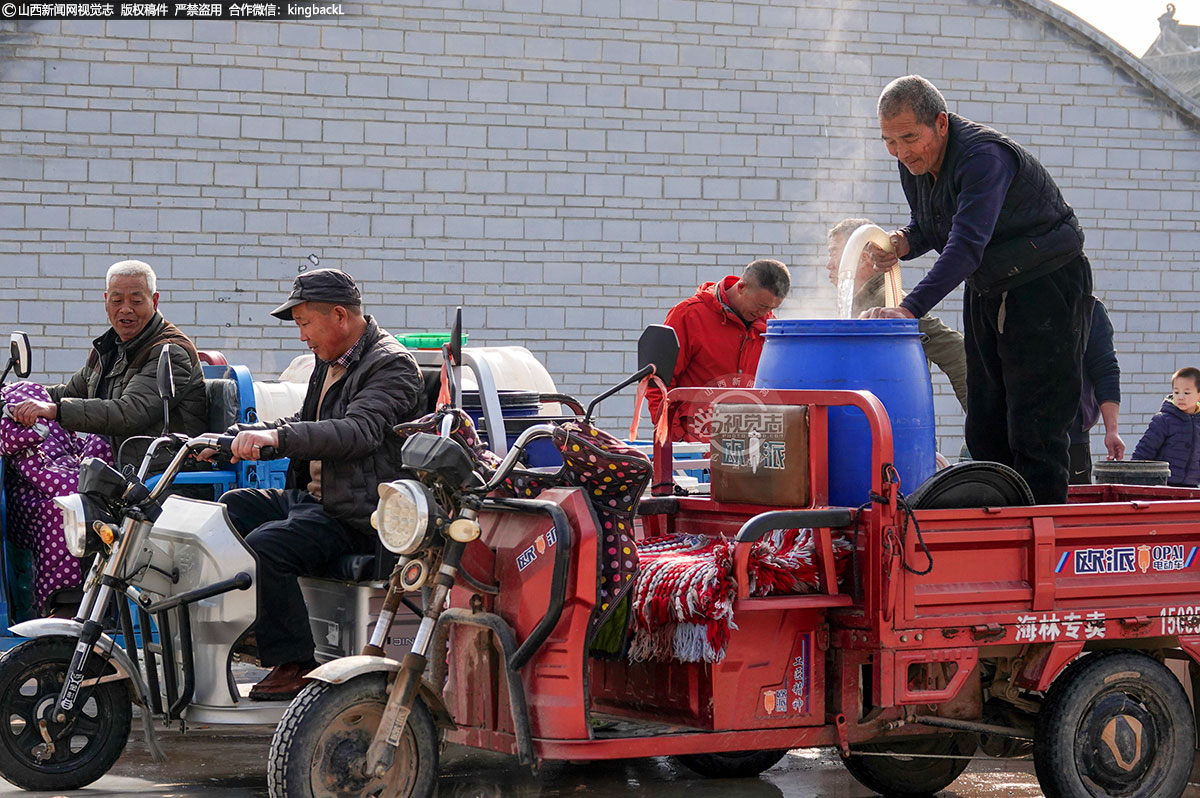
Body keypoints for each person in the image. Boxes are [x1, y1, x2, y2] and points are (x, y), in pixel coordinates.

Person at [862, 75, 1092, 505]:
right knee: (986, 423)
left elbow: (966, 243)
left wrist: (908, 309)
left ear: (942, 123)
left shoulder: (985, 157)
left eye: (910, 138)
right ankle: (995, 532)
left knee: (1035, 424)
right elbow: (935, 224)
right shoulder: (912, 163)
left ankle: (1040, 541)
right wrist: (901, 242)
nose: (901, 152)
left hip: (1044, 284)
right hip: (989, 286)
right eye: (890, 142)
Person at [213, 268, 422, 700]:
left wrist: (279, 438)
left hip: (356, 511)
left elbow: (357, 431)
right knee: (231, 509)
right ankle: (257, 628)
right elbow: (305, 424)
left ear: (340, 316)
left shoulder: (392, 366)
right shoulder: (329, 363)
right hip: (315, 499)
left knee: (267, 545)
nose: (302, 336)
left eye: (306, 323)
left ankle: (295, 662)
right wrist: (230, 442)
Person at [10, 259, 208, 468]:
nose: (125, 309)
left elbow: (130, 412)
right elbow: (70, 393)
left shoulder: (170, 352)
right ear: (106, 302)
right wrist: (18, 394)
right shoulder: (108, 349)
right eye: (116, 301)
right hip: (122, 471)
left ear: (154, 300)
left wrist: (55, 411)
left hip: (162, 477)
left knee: (55, 495)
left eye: (136, 301)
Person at [826, 218, 968, 412]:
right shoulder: (861, 303)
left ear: (863, 258)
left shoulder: (889, 302)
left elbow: (953, 350)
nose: (829, 265)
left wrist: (982, 427)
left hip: (897, 428)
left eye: (834, 253)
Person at [650, 259, 791, 441]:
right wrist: (676, 438)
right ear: (741, 287)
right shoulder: (688, 315)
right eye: (762, 306)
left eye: (772, 308)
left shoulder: (768, 327)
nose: (765, 314)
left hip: (748, 444)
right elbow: (657, 383)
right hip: (694, 444)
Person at [1069, 298, 1125, 484]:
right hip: (1012, 432)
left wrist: (1112, 430)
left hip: (1071, 435)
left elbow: (1106, 370)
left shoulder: (1088, 308)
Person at [1132, 367, 1200, 487]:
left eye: (1187, 393)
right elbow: (1144, 452)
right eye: (1176, 392)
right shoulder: (1163, 420)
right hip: (1163, 486)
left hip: (1191, 488)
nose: (1180, 397)